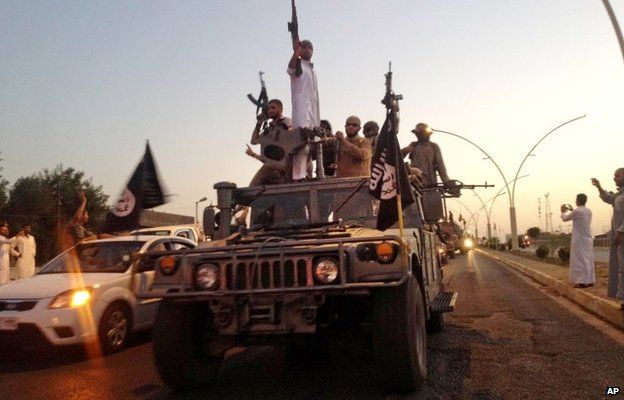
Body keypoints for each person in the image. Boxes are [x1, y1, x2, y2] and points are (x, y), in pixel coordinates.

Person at [288, 39, 320, 180]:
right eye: (304, 47)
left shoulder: (312, 70)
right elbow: (290, 69)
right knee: (301, 146)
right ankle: (298, 177)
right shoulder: (298, 65)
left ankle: (311, 175)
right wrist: (295, 52)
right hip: (302, 113)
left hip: (313, 114)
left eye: (310, 47)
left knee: (314, 145)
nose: (307, 49)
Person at [592, 169, 624, 303]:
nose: (614, 178)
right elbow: (608, 198)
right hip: (619, 238)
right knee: (621, 267)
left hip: (622, 236)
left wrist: (621, 232)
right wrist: (599, 186)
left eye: (617, 175)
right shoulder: (619, 195)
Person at [247, 99, 292, 186]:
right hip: (274, 166)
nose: (270, 110)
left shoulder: (286, 121)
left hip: (285, 164)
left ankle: (249, 192)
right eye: (268, 109)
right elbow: (254, 141)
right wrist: (259, 123)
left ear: (280, 109)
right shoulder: (269, 128)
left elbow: (291, 132)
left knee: (255, 184)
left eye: (273, 108)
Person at [560, 194, 595, 288]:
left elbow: (565, 219)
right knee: (588, 259)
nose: (575, 201)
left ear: (578, 200)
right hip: (588, 238)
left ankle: (581, 281)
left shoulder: (577, 211)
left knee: (579, 260)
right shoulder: (589, 211)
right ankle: (590, 280)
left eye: (576, 199)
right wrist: (572, 210)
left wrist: (562, 211)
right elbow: (579, 215)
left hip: (579, 239)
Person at [401, 123, 451, 187]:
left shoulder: (433, 146)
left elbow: (440, 165)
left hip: (430, 184)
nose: (419, 136)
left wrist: (446, 181)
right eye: (417, 134)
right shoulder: (413, 145)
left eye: (421, 133)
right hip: (415, 183)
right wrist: (405, 150)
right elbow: (399, 157)